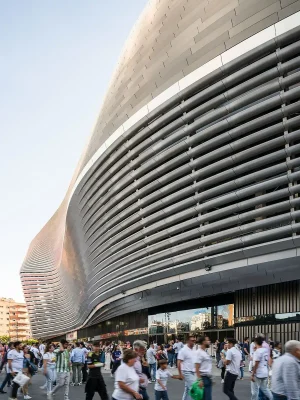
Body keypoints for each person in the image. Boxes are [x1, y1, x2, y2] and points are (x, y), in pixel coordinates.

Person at [178, 336, 197, 400]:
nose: (194, 342)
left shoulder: (193, 349)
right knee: (193, 388)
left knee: (187, 389)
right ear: (188, 341)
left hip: (192, 372)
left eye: (194, 341)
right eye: (192, 341)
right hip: (186, 372)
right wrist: (180, 374)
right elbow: (179, 362)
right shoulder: (183, 350)